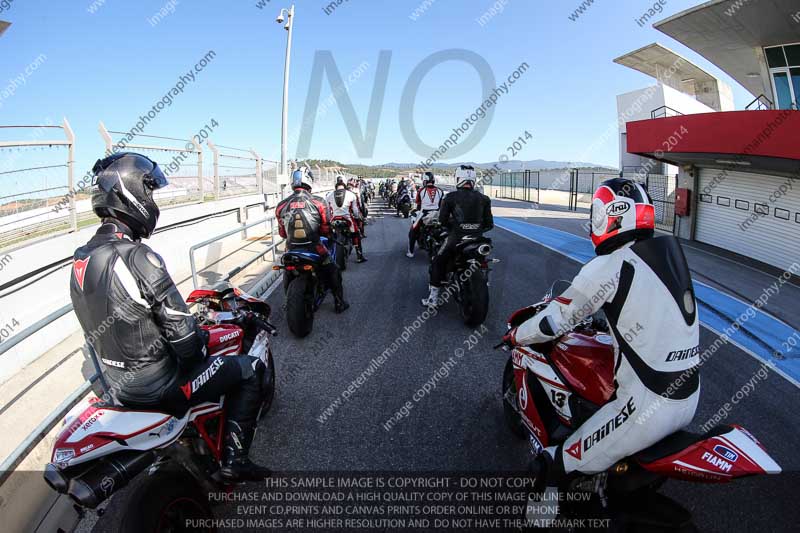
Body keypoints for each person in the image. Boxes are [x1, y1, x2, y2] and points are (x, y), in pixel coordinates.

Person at [70, 152, 271, 482]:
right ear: (129, 191)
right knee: (248, 370)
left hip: (116, 384)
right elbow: (183, 335)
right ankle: (236, 461)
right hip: (160, 385)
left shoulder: (82, 258)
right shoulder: (137, 255)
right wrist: (203, 341)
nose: (151, 199)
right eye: (149, 190)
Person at [502, 177, 700, 490]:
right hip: (689, 398)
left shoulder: (611, 264)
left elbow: (553, 322)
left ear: (611, 215)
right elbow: (644, 310)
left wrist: (516, 336)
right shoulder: (666, 254)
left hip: (645, 406)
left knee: (549, 466)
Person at [276, 168, 350, 312]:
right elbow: (326, 229)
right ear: (309, 181)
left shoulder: (281, 205)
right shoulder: (319, 202)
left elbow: (283, 233)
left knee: (288, 271)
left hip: (291, 249)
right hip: (314, 248)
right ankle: (339, 302)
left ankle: (288, 302)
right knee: (334, 270)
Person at [422, 165, 493, 306]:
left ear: (458, 179)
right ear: (473, 179)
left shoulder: (450, 197)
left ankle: (433, 298)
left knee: (438, 261)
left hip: (456, 237)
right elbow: (489, 224)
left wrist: (453, 226)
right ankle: (484, 280)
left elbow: (442, 221)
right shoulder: (484, 198)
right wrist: (475, 228)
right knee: (483, 259)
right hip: (478, 238)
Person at [327, 176, 367, 263]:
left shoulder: (329, 195)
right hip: (347, 219)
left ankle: (329, 256)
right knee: (356, 234)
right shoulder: (351, 194)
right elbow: (355, 211)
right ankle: (359, 256)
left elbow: (328, 210)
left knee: (329, 236)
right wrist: (357, 218)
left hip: (334, 219)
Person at [407, 171, 444, 258]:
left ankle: (410, 252)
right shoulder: (440, 191)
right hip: (437, 214)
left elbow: (418, 204)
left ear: (425, 180)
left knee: (413, 231)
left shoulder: (421, 191)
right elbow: (441, 204)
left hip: (424, 213)